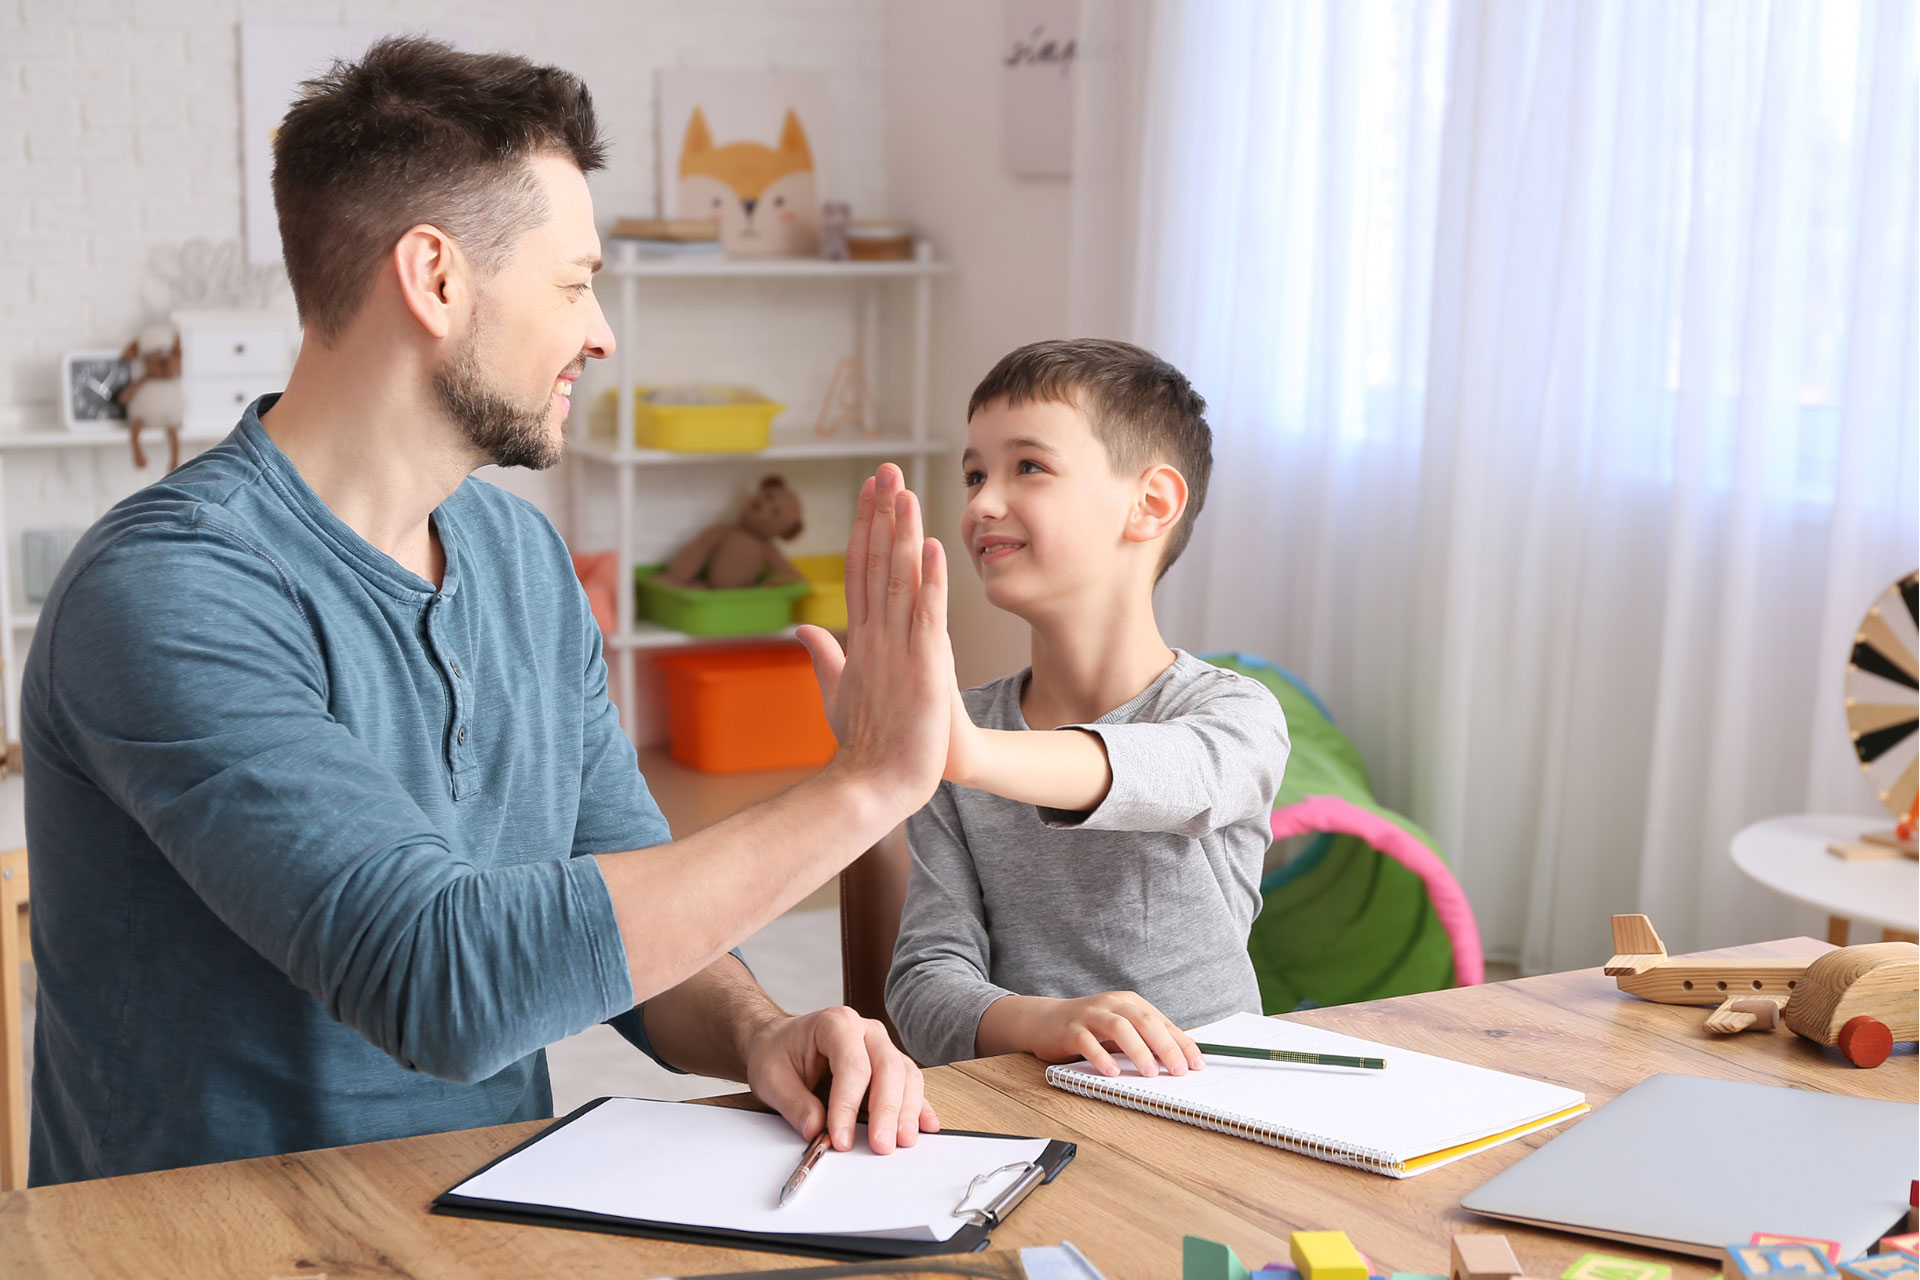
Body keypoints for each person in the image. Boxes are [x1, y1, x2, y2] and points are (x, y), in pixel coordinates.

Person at [21, 38, 955, 1186]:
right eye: (573, 283)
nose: (601, 330)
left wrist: (759, 1030)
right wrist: (868, 781)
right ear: (437, 278)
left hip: (477, 1218)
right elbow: (441, 980)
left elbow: (633, 920)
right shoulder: (169, 588)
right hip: (212, 1245)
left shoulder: (520, 557)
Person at [869, 339, 1290, 1074]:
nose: (982, 503)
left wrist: (968, 754)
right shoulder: (959, 739)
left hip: (1213, 1110)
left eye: (1027, 467)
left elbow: (1176, 777)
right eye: (974, 475)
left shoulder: (1233, 714)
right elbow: (924, 986)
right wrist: (1046, 1022)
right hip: (1021, 1101)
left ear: (1149, 504)